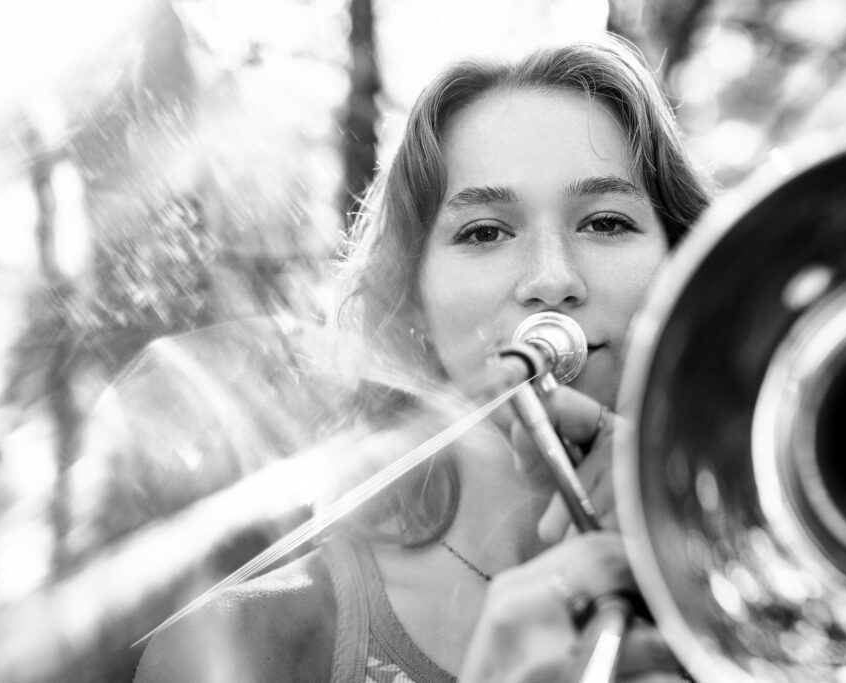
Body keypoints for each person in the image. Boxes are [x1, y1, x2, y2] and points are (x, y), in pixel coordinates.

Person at [134, 35, 709, 682]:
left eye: (606, 222)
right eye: (485, 231)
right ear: (410, 303)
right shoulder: (235, 641)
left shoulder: (782, 581)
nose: (552, 278)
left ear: (687, 269)